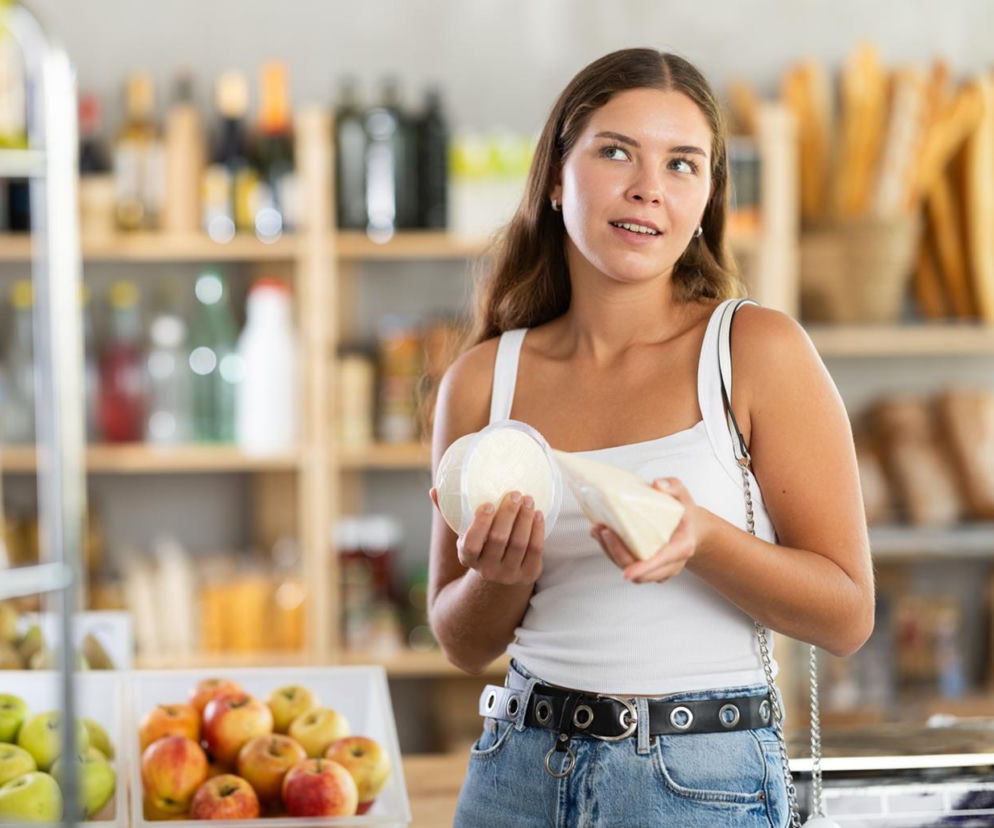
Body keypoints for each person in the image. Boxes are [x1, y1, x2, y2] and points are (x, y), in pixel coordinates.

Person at [427, 48, 874, 828]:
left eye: (682, 164)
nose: (648, 188)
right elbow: (461, 641)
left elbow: (847, 616)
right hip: (516, 774)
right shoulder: (480, 381)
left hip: (698, 778)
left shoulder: (754, 352)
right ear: (557, 178)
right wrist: (501, 576)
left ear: (706, 199)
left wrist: (702, 540)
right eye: (615, 152)